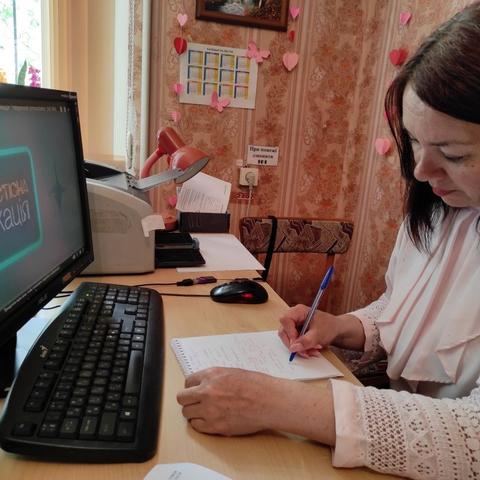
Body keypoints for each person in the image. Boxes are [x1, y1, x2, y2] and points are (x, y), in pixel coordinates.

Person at [176, 2, 480, 478]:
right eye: (416, 142)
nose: (421, 171)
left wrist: (274, 402)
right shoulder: (442, 207)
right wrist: (340, 325)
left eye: (454, 154)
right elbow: (401, 308)